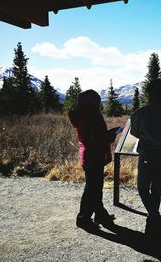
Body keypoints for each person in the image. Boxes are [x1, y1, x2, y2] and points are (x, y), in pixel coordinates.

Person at [130, 79, 161, 237]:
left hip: (147, 156)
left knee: (143, 189)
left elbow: (135, 132)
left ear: (150, 93)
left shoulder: (140, 113)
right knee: (156, 190)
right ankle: (151, 226)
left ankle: (156, 220)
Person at [68, 89, 121, 231]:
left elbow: (93, 135)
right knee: (92, 188)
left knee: (95, 187)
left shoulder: (81, 114)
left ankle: (100, 214)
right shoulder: (92, 114)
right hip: (95, 155)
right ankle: (83, 218)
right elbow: (98, 138)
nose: (99, 104)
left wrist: (107, 134)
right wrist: (111, 135)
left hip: (87, 154)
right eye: (97, 100)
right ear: (93, 102)